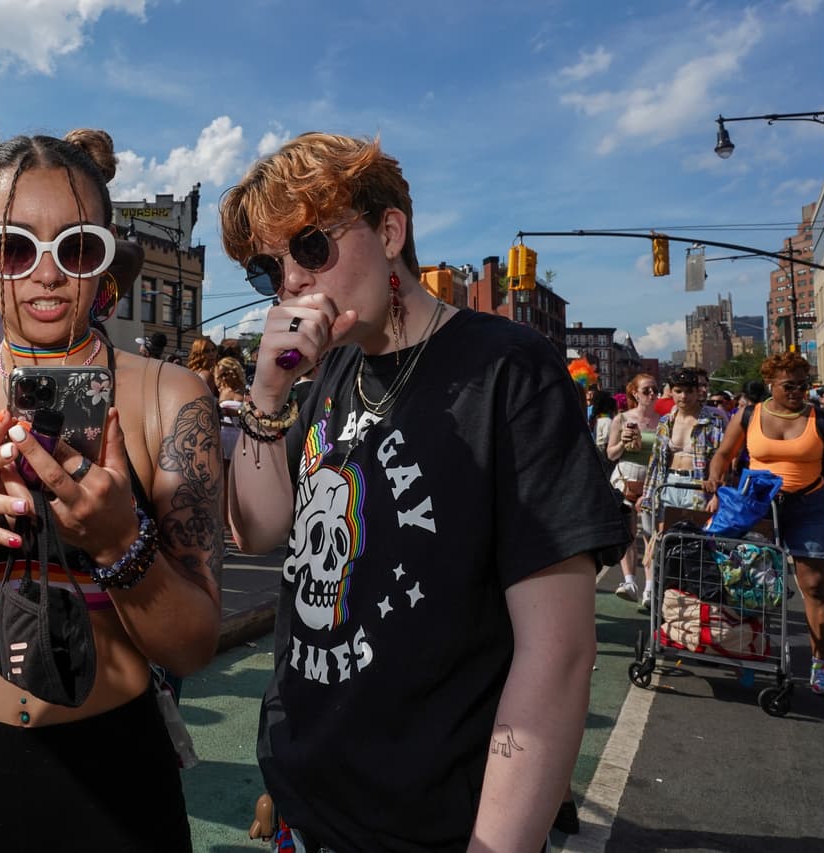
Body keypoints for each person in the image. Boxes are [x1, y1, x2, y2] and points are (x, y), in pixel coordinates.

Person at [219, 132, 628, 850]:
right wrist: (268, 388)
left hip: (426, 823)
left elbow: (558, 651)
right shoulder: (326, 381)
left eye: (310, 247)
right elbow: (256, 530)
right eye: (267, 268)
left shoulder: (509, 371)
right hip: (304, 806)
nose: (290, 282)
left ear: (389, 229)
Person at [0, 124, 222, 851]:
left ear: (106, 255)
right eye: (14, 247)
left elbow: (192, 644)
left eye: (76, 246)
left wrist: (122, 542)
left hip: (115, 775)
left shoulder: (171, 397)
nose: (46, 274)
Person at [708, 352, 824, 697]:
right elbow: (723, 455)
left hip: (809, 505)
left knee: (814, 585)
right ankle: (746, 652)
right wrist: (713, 482)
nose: (798, 392)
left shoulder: (823, 419)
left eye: (803, 385)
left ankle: (821, 665)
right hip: (758, 505)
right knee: (748, 583)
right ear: (771, 383)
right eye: (789, 385)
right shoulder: (748, 416)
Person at [636, 368, 727, 611]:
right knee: (664, 544)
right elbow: (656, 461)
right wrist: (648, 495)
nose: (684, 396)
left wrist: (717, 493)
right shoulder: (666, 421)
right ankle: (665, 603)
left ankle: (697, 603)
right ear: (671, 393)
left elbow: (724, 459)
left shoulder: (714, 419)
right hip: (668, 486)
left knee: (697, 546)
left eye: (688, 391)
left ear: (698, 392)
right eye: (678, 391)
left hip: (698, 488)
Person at [607, 373, 660, 606]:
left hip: (651, 479)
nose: (652, 394)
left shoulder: (664, 420)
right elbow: (611, 454)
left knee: (651, 534)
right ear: (635, 393)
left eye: (655, 390)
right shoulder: (622, 419)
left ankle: (650, 588)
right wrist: (623, 442)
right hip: (625, 477)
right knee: (628, 534)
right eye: (646, 390)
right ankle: (630, 582)